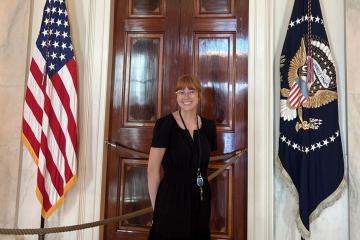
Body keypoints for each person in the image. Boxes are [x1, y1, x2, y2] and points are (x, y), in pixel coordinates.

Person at [147, 74, 217, 240]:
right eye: (181, 91)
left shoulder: (208, 126)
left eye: (191, 91)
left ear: (199, 95)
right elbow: (152, 170)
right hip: (172, 198)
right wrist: (157, 211)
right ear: (176, 96)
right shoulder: (165, 125)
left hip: (201, 197)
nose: (186, 96)